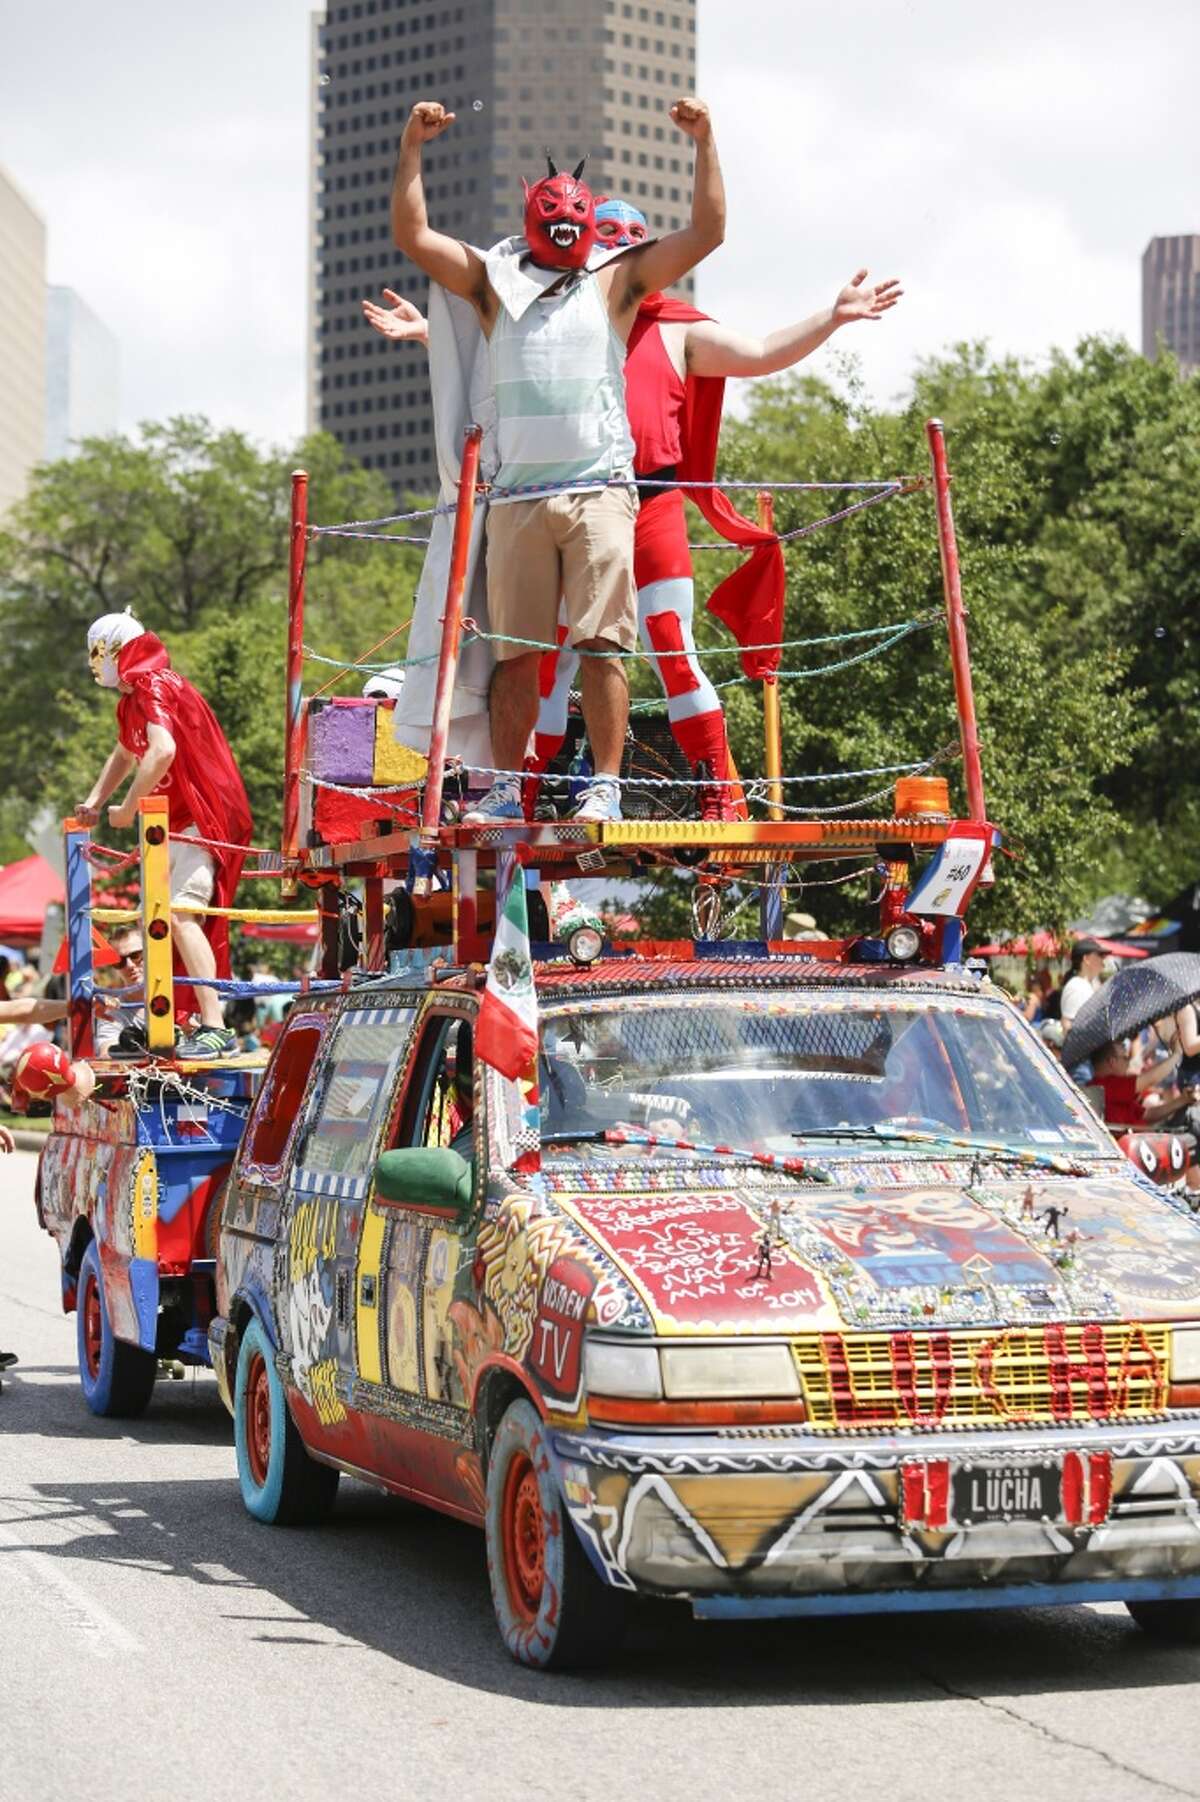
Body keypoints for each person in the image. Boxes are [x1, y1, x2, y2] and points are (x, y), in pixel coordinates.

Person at [366, 199, 900, 822]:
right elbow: (513, 355)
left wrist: (830, 318)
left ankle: (716, 797)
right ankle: (526, 793)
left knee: (668, 644)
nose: (622, 244)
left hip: (650, 504)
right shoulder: (554, 306)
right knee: (545, 658)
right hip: (562, 496)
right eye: (609, 234)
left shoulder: (677, 328)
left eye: (636, 237)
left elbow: (759, 352)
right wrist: (434, 334)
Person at [391, 97, 725, 825]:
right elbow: (413, 234)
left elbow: (706, 232)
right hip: (517, 499)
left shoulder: (615, 282)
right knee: (518, 657)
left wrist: (704, 142)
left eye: (576, 216)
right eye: (554, 215)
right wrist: (412, 144)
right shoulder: (494, 284)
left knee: (604, 645)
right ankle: (509, 788)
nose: (567, 225)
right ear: (532, 218)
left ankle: (604, 784)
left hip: (600, 492)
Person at [76, 613, 253, 1059]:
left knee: (177, 915)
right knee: (154, 921)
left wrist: (128, 808)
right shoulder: (132, 700)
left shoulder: (155, 684)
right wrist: (96, 801)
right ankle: (165, 1022)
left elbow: (162, 751)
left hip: (201, 815)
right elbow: (125, 751)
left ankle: (215, 1026)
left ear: (114, 651)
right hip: (171, 823)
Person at [1060, 939, 1106, 1033]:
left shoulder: (1088, 984)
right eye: (1100, 955)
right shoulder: (1077, 987)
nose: (1103, 960)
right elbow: (1068, 1026)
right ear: (1087, 959)